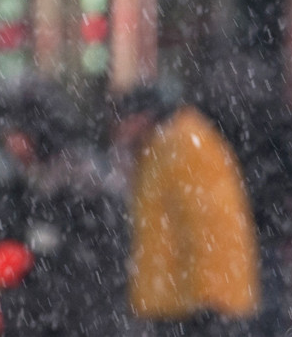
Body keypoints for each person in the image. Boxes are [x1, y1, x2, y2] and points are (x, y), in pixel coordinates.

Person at [0, 74, 130, 336]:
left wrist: (8, 304)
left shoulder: (84, 190)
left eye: (16, 134)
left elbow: (85, 282)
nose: (11, 145)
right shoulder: (22, 186)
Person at [111, 83, 261, 337]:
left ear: (142, 117)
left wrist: (210, 297)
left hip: (192, 301)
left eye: (123, 122)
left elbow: (209, 221)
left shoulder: (181, 145)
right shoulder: (164, 145)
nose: (120, 132)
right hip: (179, 296)